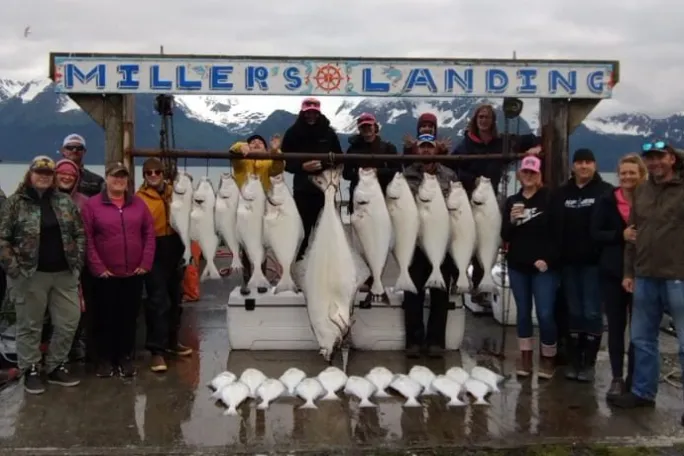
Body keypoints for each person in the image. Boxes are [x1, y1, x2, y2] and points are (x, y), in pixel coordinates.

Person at [0, 156, 85, 394]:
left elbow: (79, 233)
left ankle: (56, 364)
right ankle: (30, 369)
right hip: (29, 275)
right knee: (30, 325)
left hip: (64, 274)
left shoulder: (64, 202)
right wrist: (14, 268)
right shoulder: (15, 203)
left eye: (48, 174)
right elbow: (2, 237)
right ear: (30, 174)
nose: (44, 177)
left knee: (69, 322)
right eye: (39, 172)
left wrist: (77, 262)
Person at [613, 143, 684, 419]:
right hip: (644, 274)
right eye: (650, 159)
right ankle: (643, 392)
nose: (654, 163)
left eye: (659, 158)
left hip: (678, 275)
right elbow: (632, 233)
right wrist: (628, 272)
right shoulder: (642, 191)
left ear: (671, 158)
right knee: (642, 338)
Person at [450, 104, 541, 306]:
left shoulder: (501, 143)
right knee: (466, 238)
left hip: (492, 196)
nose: (484, 120)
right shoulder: (464, 145)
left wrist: (535, 148)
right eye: (480, 117)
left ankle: (482, 285)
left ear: (493, 121)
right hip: (469, 198)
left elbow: (534, 139)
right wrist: (472, 179)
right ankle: (462, 280)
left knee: (492, 237)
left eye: (487, 117)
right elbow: (453, 168)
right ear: (475, 120)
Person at [81, 162, 155, 378]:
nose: (119, 181)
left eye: (123, 177)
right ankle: (104, 360)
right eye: (115, 177)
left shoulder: (139, 205)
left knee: (128, 317)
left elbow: (149, 234)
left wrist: (145, 263)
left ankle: (125, 357)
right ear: (107, 178)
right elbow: (87, 238)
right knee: (104, 318)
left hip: (133, 272)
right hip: (105, 274)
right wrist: (97, 266)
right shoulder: (92, 205)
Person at [553, 148, 613, 382]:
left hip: (594, 264)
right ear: (573, 166)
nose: (584, 166)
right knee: (574, 312)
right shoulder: (561, 193)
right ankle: (574, 361)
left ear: (595, 165)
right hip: (568, 263)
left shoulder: (605, 191)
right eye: (579, 162)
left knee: (592, 311)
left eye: (588, 162)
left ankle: (589, 362)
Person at [591, 153, 647, 399]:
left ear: (641, 174)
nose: (627, 177)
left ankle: (635, 377)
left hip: (644, 272)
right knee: (615, 327)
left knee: (640, 330)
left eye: (632, 172)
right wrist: (619, 235)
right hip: (612, 272)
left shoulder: (649, 199)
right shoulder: (606, 200)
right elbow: (595, 232)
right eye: (623, 172)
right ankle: (616, 377)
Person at [500, 155, 560, 379]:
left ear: (540, 175)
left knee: (545, 313)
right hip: (518, 266)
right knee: (523, 314)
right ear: (519, 174)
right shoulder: (512, 201)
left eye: (533, 172)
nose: (528, 176)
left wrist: (548, 259)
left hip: (544, 268)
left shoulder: (550, 199)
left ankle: (548, 357)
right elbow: (505, 235)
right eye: (525, 172)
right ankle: (525, 358)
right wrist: (513, 221)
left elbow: (559, 234)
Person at [402, 134, 457, 359]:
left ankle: (436, 341)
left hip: (441, 242)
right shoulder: (407, 176)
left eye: (430, 147)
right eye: (422, 147)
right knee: (412, 293)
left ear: (436, 150)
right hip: (414, 242)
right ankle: (414, 341)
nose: (426, 152)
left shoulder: (449, 175)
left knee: (440, 295)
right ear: (416, 150)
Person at [136, 158, 192, 373]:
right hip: (154, 249)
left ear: (163, 173)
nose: (153, 175)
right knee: (158, 302)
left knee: (176, 298)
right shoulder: (139, 198)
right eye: (148, 172)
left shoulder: (175, 192)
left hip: (176, 246)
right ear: (144, 176)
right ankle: (156, 351)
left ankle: (172, 342)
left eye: (157, 171)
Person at [343, 113, 400, 306]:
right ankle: (370, 285)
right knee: (362, 246)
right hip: (361, 203)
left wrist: (378, 172)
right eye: (363, 127)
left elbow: (396, 170)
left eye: (369, 126)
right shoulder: (353, 149)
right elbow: (346, 173)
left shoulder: (388, 148)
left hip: (381, 202)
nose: (366, 130)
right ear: (359, 129)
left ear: (376, 127)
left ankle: (376, 282)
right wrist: (360, 175)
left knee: (381, 243)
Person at [281, 98, 343, 262]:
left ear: (319, 112)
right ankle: (298, 270)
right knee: (301, 232)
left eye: (314, 112)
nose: (311, 116)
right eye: (308, 112)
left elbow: (339, 156)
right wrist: (302, 167)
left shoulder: (329, 133)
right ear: (302, 112)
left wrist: (323, 163)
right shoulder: (291, 133)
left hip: (325, 191)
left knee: (326, 232)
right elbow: (285, 162)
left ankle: (325, 269)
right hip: (302, 190)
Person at [229, 134, 284, 294]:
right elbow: (233, 151)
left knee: (263, 243)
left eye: (260, 142)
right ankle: (247, 280)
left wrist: (276, 152)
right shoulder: (241, 161)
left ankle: (261, 278)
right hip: (244, 207)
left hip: (263, 207)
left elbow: (278, 168)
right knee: (245, 243)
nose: (256, 143)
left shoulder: (268, 161)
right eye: (252, 142)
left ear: (265, 148)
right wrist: (241, 146)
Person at [53, 159, 89, 361]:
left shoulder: (84, 202)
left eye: (71, 175)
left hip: (77, 265)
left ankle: (74, 346)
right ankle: (46, 354)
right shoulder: (44, 199)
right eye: (62, 173)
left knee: (76, 309)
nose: (67, 177)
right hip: (48, 267)